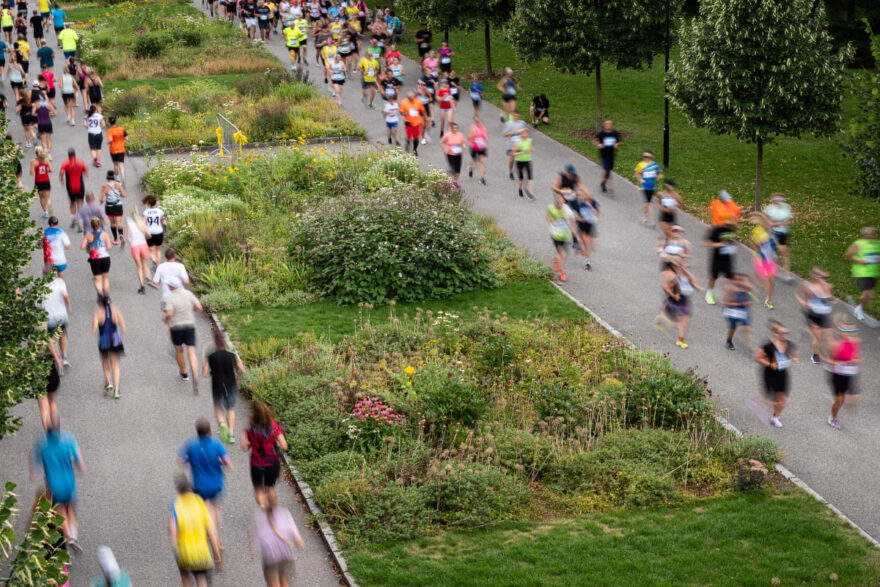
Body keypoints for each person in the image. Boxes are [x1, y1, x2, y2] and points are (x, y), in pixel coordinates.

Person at [31, 415, 85, 549]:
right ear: (59, 429)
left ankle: (69, 536)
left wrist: (35, 471)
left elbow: (34, 464)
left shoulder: (41, 444)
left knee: (60, 511)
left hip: (54, 486)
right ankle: (73, 535)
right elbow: (81, 465)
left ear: (47, 430)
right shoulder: (69, 440)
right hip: (69, 484)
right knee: (69, 509)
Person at [178, 419, 233, 548]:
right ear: (209, 431)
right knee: (213, 508)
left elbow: (180, 460)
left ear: (197, 432)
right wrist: (221, 462)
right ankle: (215, 536)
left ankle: (209, 532)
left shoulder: (190, 444)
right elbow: (227, 462)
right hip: (216, 485)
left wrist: (187, 467)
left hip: (199, 486)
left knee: (204, 509)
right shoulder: (216, 443)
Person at [169, 475, 222, 587]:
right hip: (201, 553)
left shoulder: (175, 505)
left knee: (185, 576)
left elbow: (173, 530)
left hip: (184, 552)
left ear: (177, 489)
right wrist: (217, 556)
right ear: (189, 486)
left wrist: (175, 548)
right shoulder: (199, 502)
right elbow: (211, 531)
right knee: (201, 578)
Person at [250, 492, 305, 587]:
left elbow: (253, 536)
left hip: (271, 557)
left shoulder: (259, 518)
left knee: (273, 583)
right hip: (286, 555)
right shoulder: (285, 513)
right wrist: (299, 542)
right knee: (283, 578)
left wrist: (253, 550)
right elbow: (296, 534)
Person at [202, 331, 246, 444]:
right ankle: (231, 434)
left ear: (215, 341)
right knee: (230, 408)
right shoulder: (232, 354)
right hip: (231, 383)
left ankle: (222, 424)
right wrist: (238, 376)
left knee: (217, 406)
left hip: (217, 383)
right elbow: (242, 369)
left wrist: (211, 372)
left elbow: (205, 372)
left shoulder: (210, 355)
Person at [242, 401, 288, 508]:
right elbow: (284, 446)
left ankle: (264, 508)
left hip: (256, 463)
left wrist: (251, 443)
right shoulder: (274, 426)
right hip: (272, 462)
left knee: (258, 489)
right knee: (270, 488)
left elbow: (244, 447)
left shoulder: (249, 427)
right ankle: (274, 512)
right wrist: (276, 444)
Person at [754, 320, 799, 428]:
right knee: (773, 400)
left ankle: (775, 418)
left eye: (786, 333)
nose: (785, 335)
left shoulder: (789, 345)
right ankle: (757, 399)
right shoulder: (769, 346)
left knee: (782, 400)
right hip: (770, 374)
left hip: (783, 375)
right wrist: (770, 364)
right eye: (782, 333)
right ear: (776, 334)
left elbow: (795, 356)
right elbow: (758, 358)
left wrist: (794, 358)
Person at [820, 315, 860, 430]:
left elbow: (856, 357)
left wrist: (855, 361)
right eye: (847, 331)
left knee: (852, 399)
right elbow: (826, 360)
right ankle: (833, 417)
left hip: (848, 374)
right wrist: (835, 363)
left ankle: (839, 411)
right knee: (840, 399)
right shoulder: (835, 345)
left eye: (852, 331)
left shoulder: (854, 342)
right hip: (836, 375)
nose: (850, 333)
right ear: (841, 332)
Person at [655, 255, 703, 349]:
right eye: (679, 262)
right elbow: (665, 287)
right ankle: (679, 339)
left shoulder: (683, 271)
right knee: (683, 322)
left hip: (684, 299)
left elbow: (690, 280)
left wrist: (696, 286)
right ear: (673, 264)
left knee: (684, 321)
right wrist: (674, 296)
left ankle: (663, 320)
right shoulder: (671, 275)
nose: (683, 263)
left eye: (682, 261)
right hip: (675, 299)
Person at [165, 280, 202, 385]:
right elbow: (199, 306)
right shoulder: (188, 293)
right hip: (190, 325)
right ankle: (195, 375)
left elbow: (169, 313)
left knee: (179, 350)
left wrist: (166, 319)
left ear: (171, 287)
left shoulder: (171, 298)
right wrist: (191, 309)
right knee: (191, 351)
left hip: (176, 327)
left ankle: (184, 373)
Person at [795, 267, 834, 365]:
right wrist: (802, 300)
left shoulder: (827, 286)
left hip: (824, 315)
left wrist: (830, 299)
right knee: (818, 339)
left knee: (827, 337)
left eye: (824, 277)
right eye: (820, 277)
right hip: (814, 316)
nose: (823, 279)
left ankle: (808, 332)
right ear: (815, 277)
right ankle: (816, 356)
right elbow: (805, 302)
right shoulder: (809, 288)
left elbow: (828, 299)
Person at [92, 294, 125, 398]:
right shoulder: (115, 310)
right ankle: (116, 390)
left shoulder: (97, 312)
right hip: (115, 339)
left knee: (105, 361)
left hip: (104, 340)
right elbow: (122, 325)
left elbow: (94, 330)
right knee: (115, 365)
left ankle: (108, 382)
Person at [844, 226, 880, 321]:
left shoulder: (877, 244)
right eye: (868, 234)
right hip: (862, 272)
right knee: (867, 292)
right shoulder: (858, 244)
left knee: (869, 294)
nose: (870, 236)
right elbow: (847, 255)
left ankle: (858, 302)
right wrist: (860, 261)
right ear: (864, 235)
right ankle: (859, 309)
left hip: (873, 272)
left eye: (872, 234)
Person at [703, 214, 738, 305]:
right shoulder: (716, 230)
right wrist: (719, 245)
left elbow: (732, 240)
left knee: (730, 278)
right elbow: (707, 243)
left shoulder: (732, 230)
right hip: (717, 258)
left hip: (727, 259)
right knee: (713, 278)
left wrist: (732, 244)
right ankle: (709, 294)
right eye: (728, 223)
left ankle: (728, 297)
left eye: (730, 223)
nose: (729, 225)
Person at [42, 263, 71, 369]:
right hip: (61, 316)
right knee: (63, 335)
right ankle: (64, 357)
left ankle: (55, 357)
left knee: (50, 339)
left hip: (49, 318)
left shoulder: (41, 286)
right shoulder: (60, 282)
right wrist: (69, 307)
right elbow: (66, 297)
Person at [566, 186, 601, 272]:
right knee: (586, 244)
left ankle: (580, 247)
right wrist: (581, 219)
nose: (586, 195)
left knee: (593, 247)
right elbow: (573, 217)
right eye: (583, 193)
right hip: (582, 225)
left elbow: (598, 212)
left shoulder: (593, 202)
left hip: (591, 225)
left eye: (587, 193)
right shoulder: (578, 204)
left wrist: (597, 217)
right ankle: (587, 263)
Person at [749, 213, 778, 309]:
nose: (768, 223)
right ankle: (767, 300)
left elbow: (775, 245)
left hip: (771, 260)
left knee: (771, 281)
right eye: (766, 221)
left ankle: (768, 299)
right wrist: (757, 249)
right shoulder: (758, 231)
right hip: (761, 259)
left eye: (769, 222)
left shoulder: (772, 231)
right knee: (766, 279)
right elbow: (753, 240)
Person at [547, 191, 575, 283]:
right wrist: (552, 222)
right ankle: (562, 273)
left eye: (560, 199)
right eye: (557, 199)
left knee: (564, 254)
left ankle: (556, 260)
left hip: (565, 235)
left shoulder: (567, 210)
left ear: (564, 200)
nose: (559, 201)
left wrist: (572, 231)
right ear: (555, 200)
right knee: (561, 253)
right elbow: (547, 216)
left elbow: (572, 220)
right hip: (555, 235)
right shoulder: (551, 208)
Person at [723, 273, 754, 352]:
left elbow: (747, 299)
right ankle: (729, 341)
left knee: (747, 326)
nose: (740, 282)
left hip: (742, 310)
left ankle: (750, 345)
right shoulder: (731, 289)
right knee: (732, 328)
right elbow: (726, 302)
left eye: (741, 280)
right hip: (731, 310)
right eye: (737, 280)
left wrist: (748, 302)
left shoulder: (745, 289)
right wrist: (739, 304)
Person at [81, 217, 112, 296]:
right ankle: (106, 297)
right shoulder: (104, 234)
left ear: (91, 226)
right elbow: (109, 247)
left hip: (95, 259)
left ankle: (100, 294)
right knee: (105, 278)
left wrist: (88, 245)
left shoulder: (88, 235)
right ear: (100, 225)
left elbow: (82, 247)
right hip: (105, 258)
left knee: (97, 279)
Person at [764, 193, 792, 277]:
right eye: (777, 200)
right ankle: (767, 270)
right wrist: (782, 223)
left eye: (781, 199)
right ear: (773, 201)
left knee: (785, 253)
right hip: (773, 233)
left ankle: (786, 274)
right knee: (772, 254)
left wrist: (785, 223)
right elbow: (770, 223)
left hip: (783, 233)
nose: (779, 201)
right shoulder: (769, 209)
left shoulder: (786, 207)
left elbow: (789, 220)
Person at [125, 207, 151, 295]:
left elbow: (127, 236)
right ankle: (148, 278)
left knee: (139, 267)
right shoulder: (142, 221)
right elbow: (148, 235)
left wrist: (131, 240)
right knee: (145, 264)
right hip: (143, 245)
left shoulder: (128, 221)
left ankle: (142, 287)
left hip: (135, 246)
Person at [634, 150, 662, 224]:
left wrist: (658, 177)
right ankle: (650, 219)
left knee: (648, 202)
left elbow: (660, 173)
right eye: (645, 156)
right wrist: (640, 179)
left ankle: (645, 215)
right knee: (647, 202)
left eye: (648, 157)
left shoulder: (655, 165)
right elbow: (636, 174)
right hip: (644, 186)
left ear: (652, 157)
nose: (646, 158)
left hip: (652, 186)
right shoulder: (640, 164)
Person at [593, 119, 621, 194]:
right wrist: (599, 145)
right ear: (604, 125)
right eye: (607, 124)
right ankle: (608, 186)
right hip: (604, 154)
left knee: (609, 170)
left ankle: (603, 183)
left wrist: (617, 144)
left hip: (611, 154)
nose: (608, 125)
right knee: (607, 170)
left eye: (610, 124)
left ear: (612, 125)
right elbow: (595, 140)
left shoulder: (615, 133)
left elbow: (619, 141)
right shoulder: (602, 134)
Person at [100, 170, 126, 246]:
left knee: (113, 223)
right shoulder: (118, 185)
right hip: (118, 205)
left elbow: (101, 199)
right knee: (119, 223)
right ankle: (121, 235)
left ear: (107, 177)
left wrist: (102, 201)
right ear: (113, 177)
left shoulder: (104, 186)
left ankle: (115, 239)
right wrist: (118, 195)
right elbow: (124, 195)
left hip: (109, 207)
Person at [142, 195, 167, 269]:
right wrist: (165, 222)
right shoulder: (160, 211)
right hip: (159, 232)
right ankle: (158, 266)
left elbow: (143, 223)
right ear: (155, 203)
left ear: (148, 203)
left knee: (150, 251)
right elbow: (164, 222)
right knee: (158, 250)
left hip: (149, 233)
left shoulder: (145, 212)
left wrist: (145, 231)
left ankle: (153, 259)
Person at [440, 121, 465, 189]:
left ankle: (455, 182)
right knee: (452, 168)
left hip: (458, 154)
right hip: (450, 154)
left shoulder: (460, 135)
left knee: (458, 170)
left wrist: (464, 146)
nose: (455, 129)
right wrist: (445, 149)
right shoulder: (447, 135)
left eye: (456, 128)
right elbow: (442, 142)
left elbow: (463, 142)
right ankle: (446, 181)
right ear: (451, 128)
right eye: (454, 128)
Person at [399, 90, 425, 155]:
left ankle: (415, 149)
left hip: (416, 123)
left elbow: (422, 110)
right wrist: (404, 113)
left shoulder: (418, 102)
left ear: (414, 97)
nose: (411, 99)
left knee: (416, 138)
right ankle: (407, 145)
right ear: (407, 98)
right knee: (409, 137)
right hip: (408, 122)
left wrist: (425, 118)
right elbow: (401, 112)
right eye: (409, 98)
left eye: (412, 98)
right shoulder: (404, 102)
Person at [503, 112, 526, 181]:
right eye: (515, 116)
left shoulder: (522, 123)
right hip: (511, 143)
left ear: (520, 117)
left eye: (518, 116)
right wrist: (511, 132)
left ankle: (520, 172)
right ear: (513, 116)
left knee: (521, 159)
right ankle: (510, 172)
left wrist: (522, 135)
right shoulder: (509, 124)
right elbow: (505, 134)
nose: (516, 118)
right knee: (512, 159)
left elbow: (525, 133)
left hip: (520, 143)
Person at [512, 128, 534, 200]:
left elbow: (531, 150)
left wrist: (530, 148)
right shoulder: (518, 143)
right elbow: (513, 153)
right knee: (521, 178)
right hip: (519, 162)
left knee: (530, 177)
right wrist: (521, 152)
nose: (525, 135)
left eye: (526, 133)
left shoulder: (529, 141)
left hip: (527, 161)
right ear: (520, 135)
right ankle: (520, 189)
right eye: (523, 133)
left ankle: (530, 192)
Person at [32, 86, 56, 153]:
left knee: (43, 139)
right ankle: (49, 154)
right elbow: (55, 113)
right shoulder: (48, 104)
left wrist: (38, 115)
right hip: (48, 123)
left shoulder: (37, 104)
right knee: (48, 139)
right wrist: (49, 114)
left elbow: (33, 113)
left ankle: (45, 150)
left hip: (41, 123)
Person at [31, 147, 53, 217]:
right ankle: (50, 212)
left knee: (42, 198)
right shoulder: (46, 160)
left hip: (38, 182)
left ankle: (45, 212)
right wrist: (46, 171)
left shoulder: (33, 161)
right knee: (48, 197)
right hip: (46, 181)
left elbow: (32, 172)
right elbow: (51, 170)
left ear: (35, 153)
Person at [467, 115, 488, 185]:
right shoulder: (472, 128)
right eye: (476, 121)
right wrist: (475, 135)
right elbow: (469, 137)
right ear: (474, 121)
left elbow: (485, 137)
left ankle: (482, 178)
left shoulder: (483, 128)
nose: (477, 122)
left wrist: (485, 144)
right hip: (474, 147)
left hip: (482, 147)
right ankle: (470, 168)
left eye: (478, 120)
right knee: (474, 161)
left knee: (483, 162)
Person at [106, 116, 127, 184]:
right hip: (121, 148)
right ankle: (123, 175)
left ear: (109, 123)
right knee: (121, 163)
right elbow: (126, 138)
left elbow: (110, 140)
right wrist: (121, 140)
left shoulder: (109, 131)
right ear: (115, 121)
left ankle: (118, 179)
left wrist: (107, 142)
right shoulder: (121, 129)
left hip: (113, 149)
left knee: (115, 164)